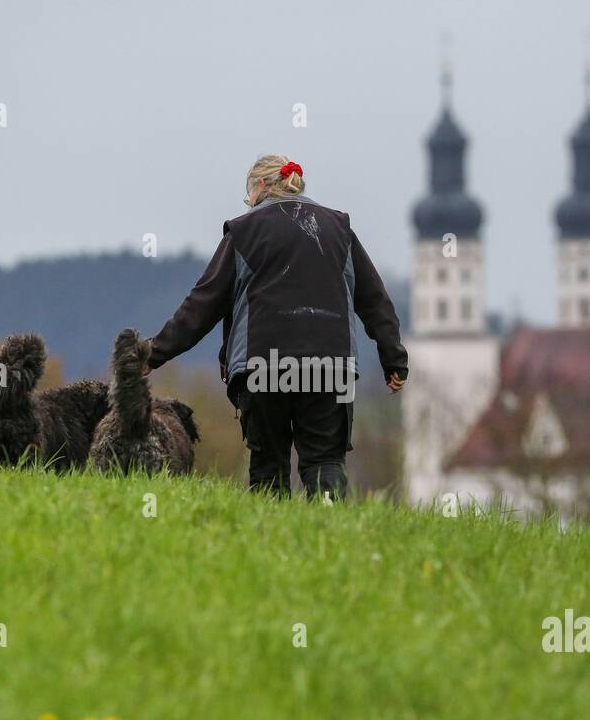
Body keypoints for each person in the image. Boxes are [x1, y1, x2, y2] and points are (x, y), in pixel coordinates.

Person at [145, 154, 408, 499]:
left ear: (260, 187)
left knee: (268, 465)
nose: (248, 204)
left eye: (248, 195)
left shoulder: (243, 230)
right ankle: (331, 537)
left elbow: (202, 305)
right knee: (326, 462)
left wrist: (151, 354)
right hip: (330, 366)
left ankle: (270, 542)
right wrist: (394, 359)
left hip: (262, 366)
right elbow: (374, 299)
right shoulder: (339, 228)